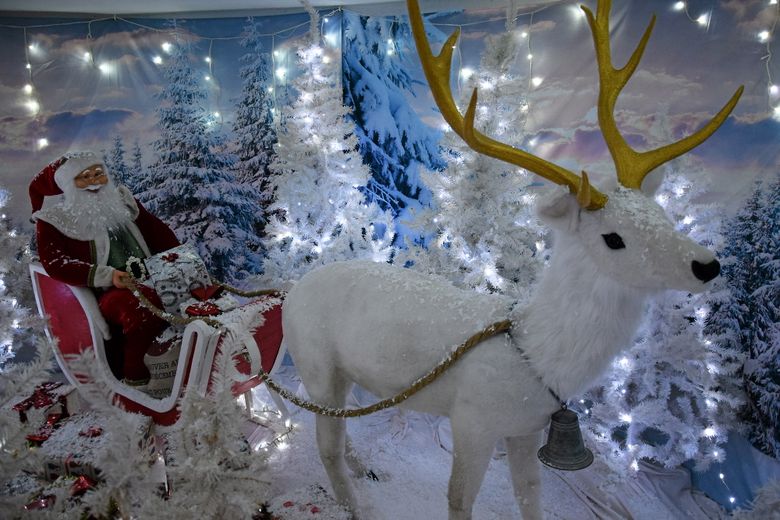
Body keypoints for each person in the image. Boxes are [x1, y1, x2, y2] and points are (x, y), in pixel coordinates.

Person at [30, 151, 180, 385]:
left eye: (98, 174)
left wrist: (181, 260)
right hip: (108, 290)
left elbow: (157, 233)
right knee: (140, 309)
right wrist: (107, 276)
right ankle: (136, 379)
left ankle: (191, 360)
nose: (94, 181)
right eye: (84, 177)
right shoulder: (54, 220)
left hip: (153, 274)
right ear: (70, 183)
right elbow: (56, 263)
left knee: (198, 291)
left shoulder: (122, 202)